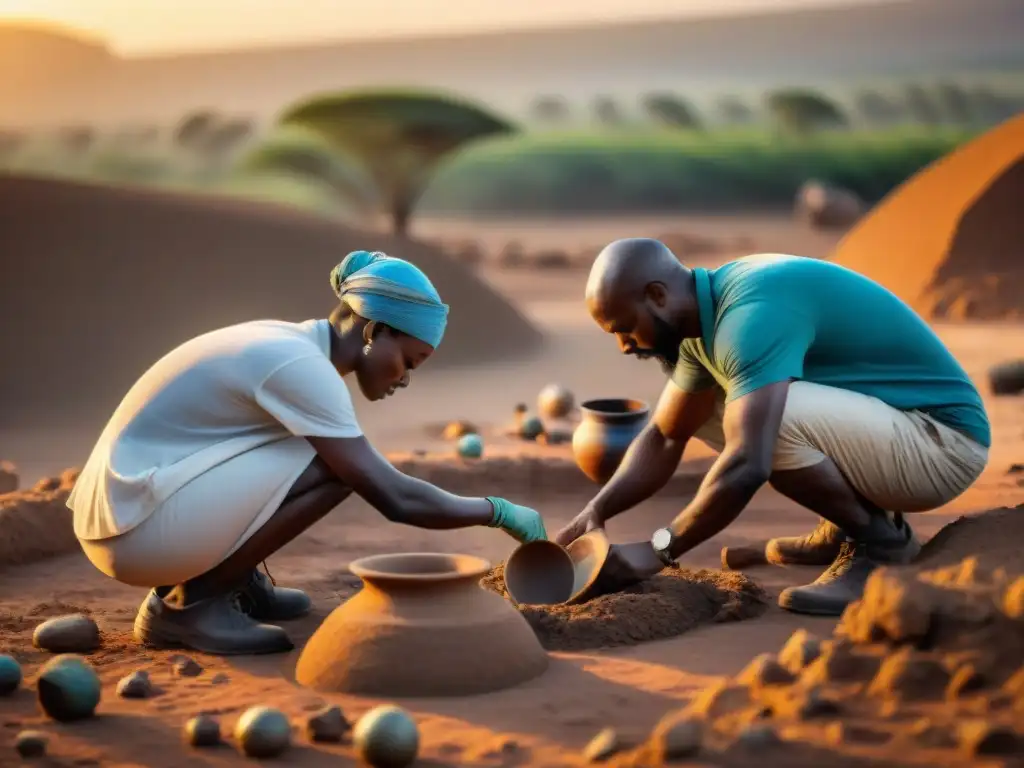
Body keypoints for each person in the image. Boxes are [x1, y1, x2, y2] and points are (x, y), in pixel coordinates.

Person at [68, 250, 547, 655]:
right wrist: (498, 512)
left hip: (132, 507)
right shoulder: (300, 366)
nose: (404, 377)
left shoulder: (291, 344)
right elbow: (393, 497)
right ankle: (188, 605)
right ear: (374, 331)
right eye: (408, 361)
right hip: (131, 530)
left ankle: (232, 583)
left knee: (323, 448)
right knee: (341, 467)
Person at [555, 239, 989, 616]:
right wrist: (596, 511)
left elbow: (748, 463)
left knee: (764, 418)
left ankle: (881, 543)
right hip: (894, 432)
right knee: (710, 407)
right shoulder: (704, 320)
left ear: (657, 295)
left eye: (626, 329)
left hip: (942, 444)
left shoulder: (750, 317)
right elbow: (665, 436)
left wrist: (660, 549)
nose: (624, 346)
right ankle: (842, 525)